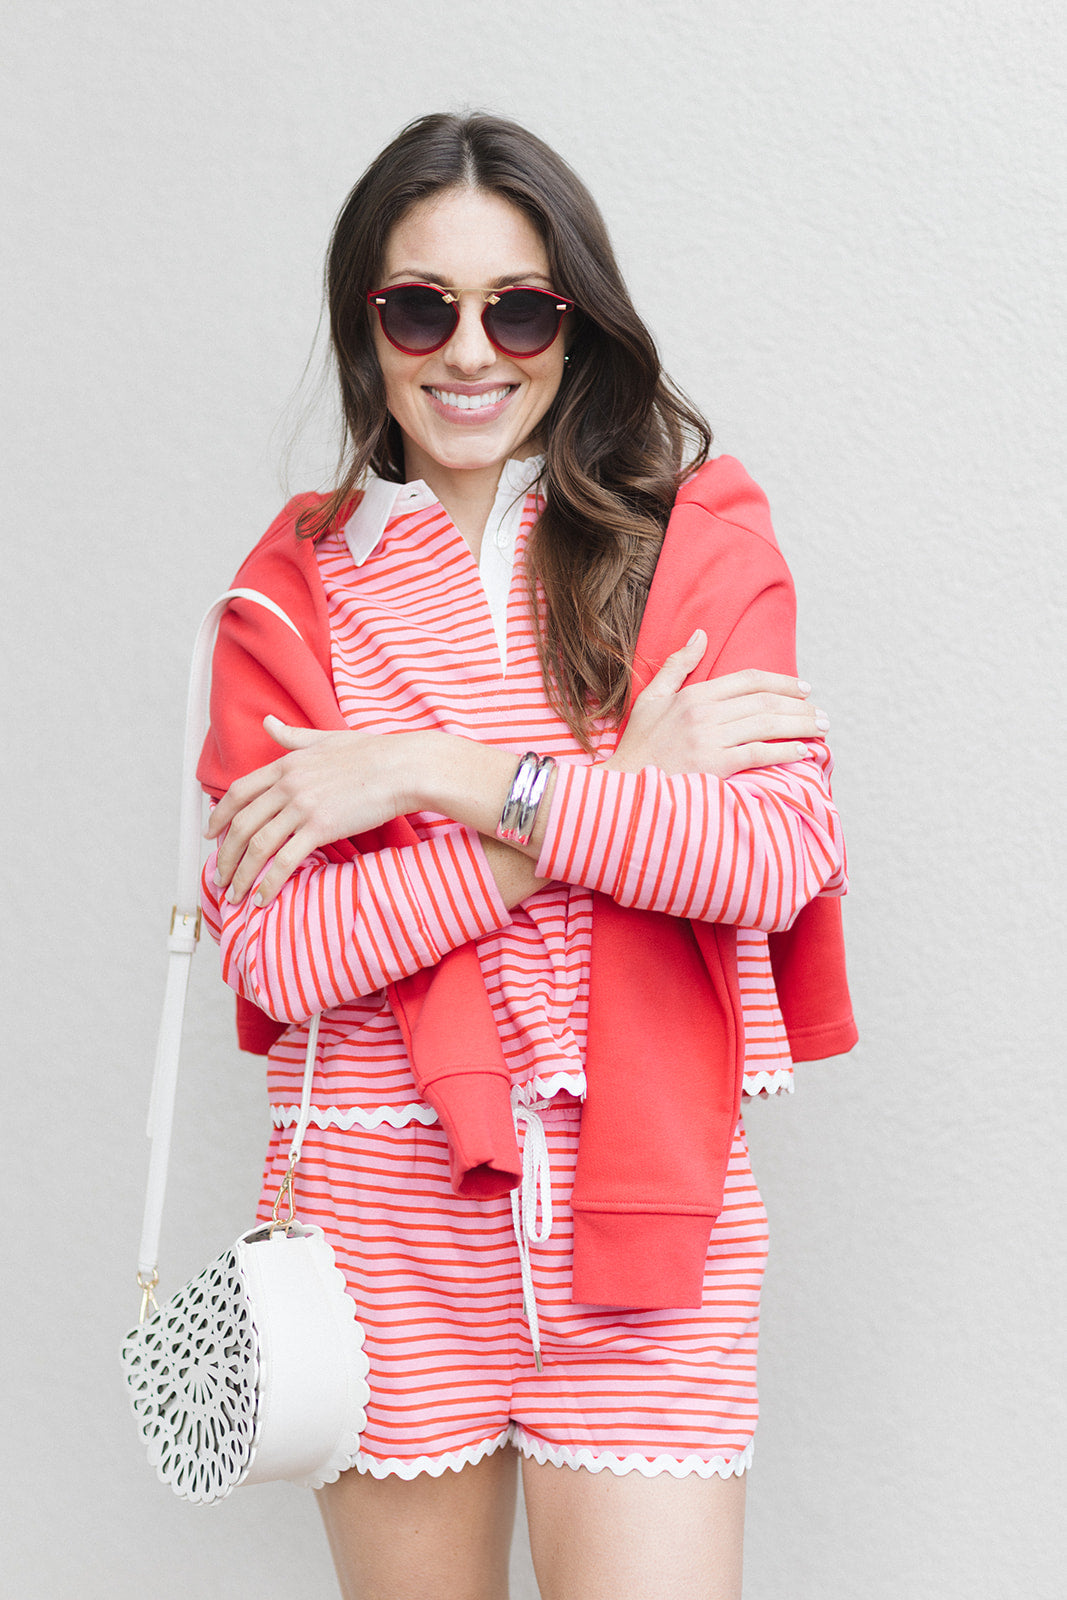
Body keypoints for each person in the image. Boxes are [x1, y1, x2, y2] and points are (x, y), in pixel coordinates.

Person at [198, 111, 855, 1600]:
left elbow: (770, 854)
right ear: (366, 327)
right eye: (420, 305)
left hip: (648, 1222)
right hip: (380, 1228)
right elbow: (284, 953)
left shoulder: (699, 547)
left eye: (520, 306)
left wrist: (440, 776)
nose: (469, 350)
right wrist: (603, 806)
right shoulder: (288, 602)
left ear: (575, 323)